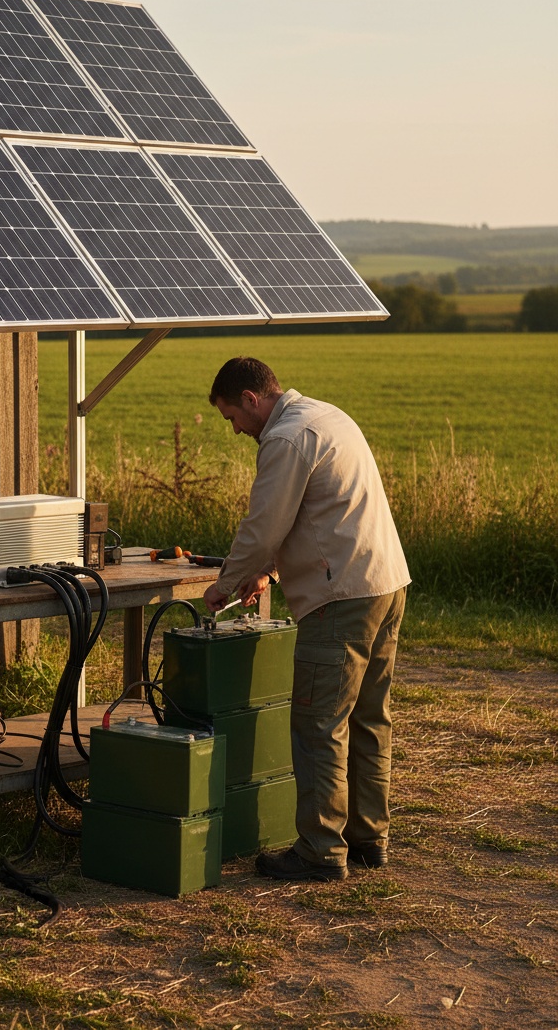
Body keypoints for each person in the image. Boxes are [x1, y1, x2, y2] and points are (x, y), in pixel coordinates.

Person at [203, 357, 410, 882]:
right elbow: (322, 510)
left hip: (339, 597)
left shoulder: (285, 439)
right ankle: (369, 837)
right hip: (385, 582)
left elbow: (264, 525)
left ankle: (320, 849)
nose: (236, 430)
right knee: (369, 716)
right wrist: (267, 574)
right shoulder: (326, 416)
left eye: (233, 418)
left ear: (252, 400)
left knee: (319, 723)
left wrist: (225, 583)